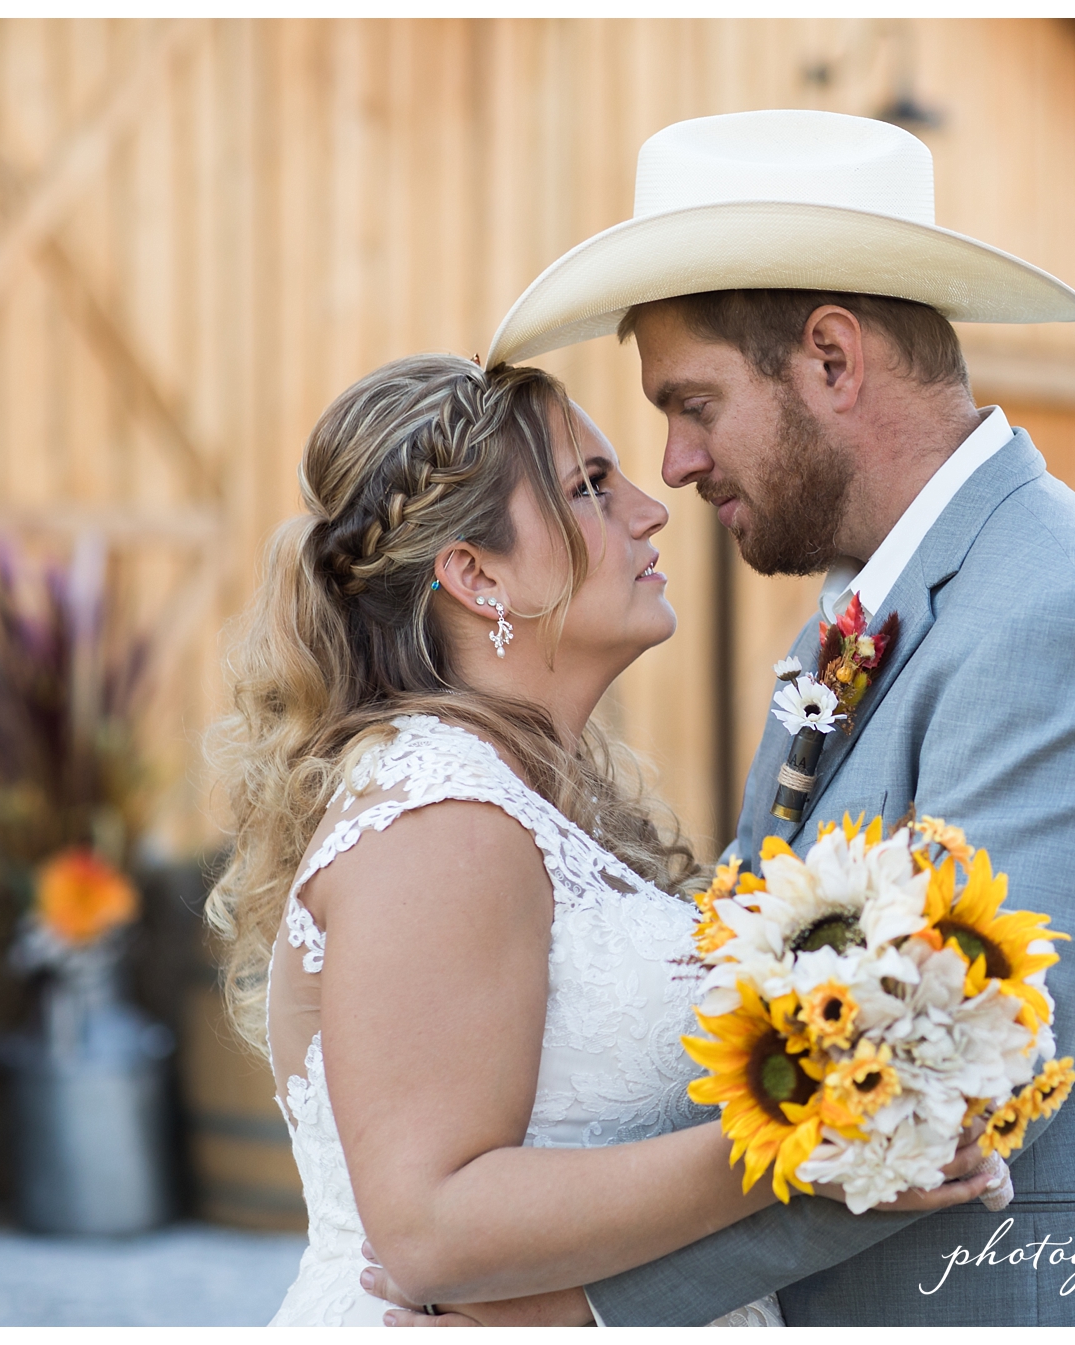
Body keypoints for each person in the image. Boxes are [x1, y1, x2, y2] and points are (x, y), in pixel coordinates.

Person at [376, 109, 1075, 1326]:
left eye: (692, 404)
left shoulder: (1066, 618)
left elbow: (934, 1086)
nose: (674, 466)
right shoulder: (855, 618)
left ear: (832, 361)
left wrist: (575, 1306)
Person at [204, 353, 1003, 1328]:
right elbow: (428, 1228)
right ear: (475, 572)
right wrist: (796, 1132)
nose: (649, 507)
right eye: (588, 487)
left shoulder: (528, 798)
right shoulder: (443, 817)